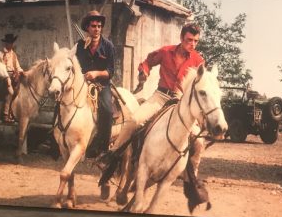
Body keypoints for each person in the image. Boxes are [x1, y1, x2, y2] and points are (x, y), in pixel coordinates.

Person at [104, 22, 204, 158]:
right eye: (189, 40)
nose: (192, 44)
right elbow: (147, 62)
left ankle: (190, 177)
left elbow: (200, 87)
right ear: (181, 38)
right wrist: (143, 73)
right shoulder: (165, 52)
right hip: (161, 97)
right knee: (133, 121)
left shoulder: (198, 61)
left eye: (196, 41)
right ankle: (112, 154)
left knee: (198, 141)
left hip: (181, 102)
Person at [74, 10, 116, 158]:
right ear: (87, 27)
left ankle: (102, 147)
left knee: (107, 110)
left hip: (102, 85)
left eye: (99, 26)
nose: (96, 29)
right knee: (64, 102)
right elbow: (75, 66)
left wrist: (96, 73)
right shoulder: (79, 45)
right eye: (93, 26)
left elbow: (111, 71)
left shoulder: (108, 46)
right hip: (83, 83)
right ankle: (56, 142)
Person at [0, 33, 24, 123]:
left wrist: (21, 72)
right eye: (8, 43)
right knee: (10, 92)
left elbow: (18, 67)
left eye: (11, 43)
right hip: (3, 76)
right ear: (5, 43)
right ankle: (5, 114)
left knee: (20, 89)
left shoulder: (14, 55)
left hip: (12, 76)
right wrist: (6, 73)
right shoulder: (0, 54)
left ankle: (14, 112)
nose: (10, 44)